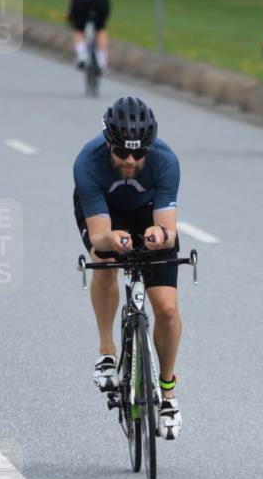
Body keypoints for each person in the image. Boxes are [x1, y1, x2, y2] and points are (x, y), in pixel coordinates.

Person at [73, 96, 183, 441]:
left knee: (165, 308)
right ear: (109, 143)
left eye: (139, 154)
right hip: (106, 216)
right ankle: (107, 352)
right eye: (122, 153)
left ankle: (167, 394)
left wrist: (159, 235)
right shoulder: (87, 163)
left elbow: (168, 228)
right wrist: (112, 240)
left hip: (147, 214)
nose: (131, 161)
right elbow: (99, 236)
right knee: (104, 263)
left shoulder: (166, 161)